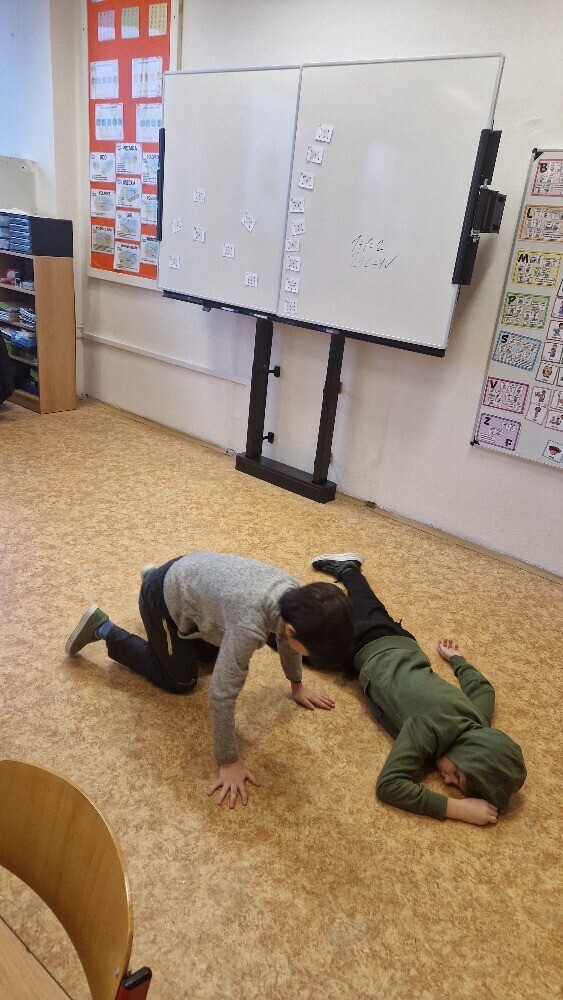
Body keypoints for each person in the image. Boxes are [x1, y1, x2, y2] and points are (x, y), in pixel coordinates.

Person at [65, 551, 354, 808]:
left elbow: (286, 641)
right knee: (182, 681)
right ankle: (104, 628)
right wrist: (228, 762)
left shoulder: (295, 596)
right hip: (162, 598)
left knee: (215, 658)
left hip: (191, 575)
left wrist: (296, 685)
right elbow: (221, 694)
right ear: (292, 630)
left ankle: (158, 581)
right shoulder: (248, 626)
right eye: (310, 652)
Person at [310, 552, 526, 825]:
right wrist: (457, 808)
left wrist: (457, 660)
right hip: (361, 649)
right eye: (456, 775)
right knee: (303, 643)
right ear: (469, 752)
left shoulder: (478, 722)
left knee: (365, 602)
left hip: (401, 642)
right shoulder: (426, 730)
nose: (447, 782)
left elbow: (483, 690)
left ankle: (349, 568)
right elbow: (388, 785)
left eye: (455, 786)